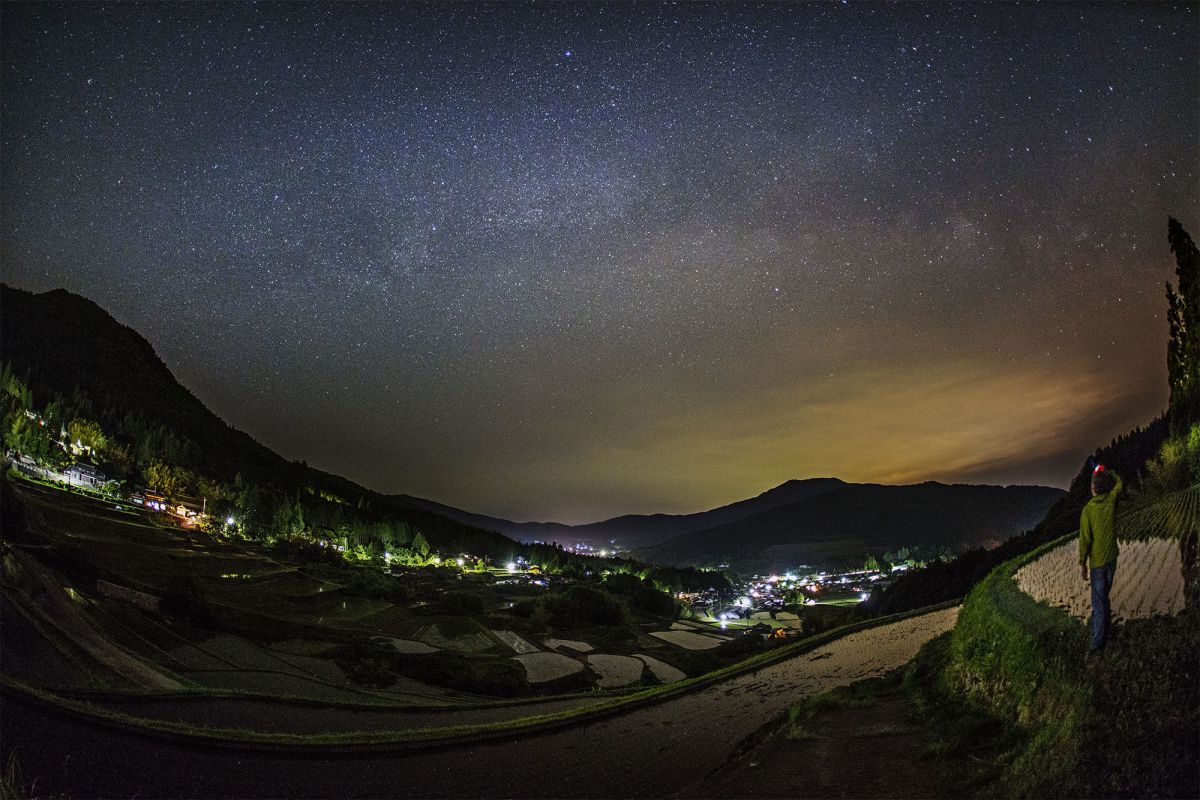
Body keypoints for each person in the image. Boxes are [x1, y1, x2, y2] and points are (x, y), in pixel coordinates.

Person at [1079, 465, 1122, 652]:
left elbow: (1085, 539)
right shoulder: (1111, 500)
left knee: (1099, 603)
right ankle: (1106, 634)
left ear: (1093, 488)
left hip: (1097, 564)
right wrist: (1108, 471)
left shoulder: (1087, 510)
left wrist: (1082, 563)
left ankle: (1097, 645)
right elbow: (1120, 483)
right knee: (1104, 599)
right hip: (1112, 558)